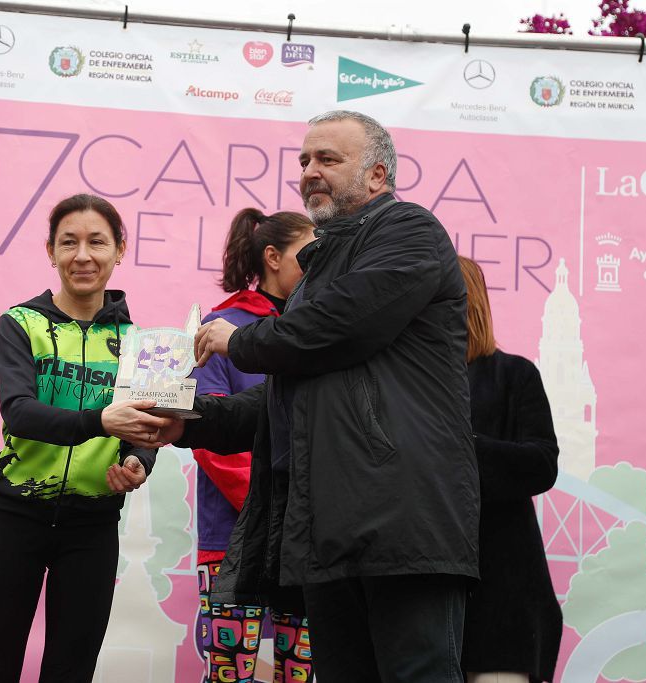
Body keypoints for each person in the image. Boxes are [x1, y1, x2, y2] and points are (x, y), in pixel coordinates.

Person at [136, 110, 480, 682]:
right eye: (304, 161)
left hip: (403, 522)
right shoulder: (317, 273)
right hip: (328, 531)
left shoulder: (410, 231)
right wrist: (187, 424)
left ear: (376, 176)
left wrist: (240, 341)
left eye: (328, 159)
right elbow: (283, 403)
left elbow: (339, 325)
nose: (310, 171)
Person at [0, 194, 170, 683]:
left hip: (92, 527)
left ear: (120, 249)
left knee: (71, 671)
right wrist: (102, 421)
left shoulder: (139, 342)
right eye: (69, 243)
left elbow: (144, 429)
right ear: (50, 251)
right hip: (13, 519)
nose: (83, 255)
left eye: (97, 242)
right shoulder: (20, 324)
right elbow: (20, 414)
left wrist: (139, 462)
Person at [191, 208, 316, 683]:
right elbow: (209, 437)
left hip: (304, 541)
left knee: (299, 673)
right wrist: (277, 505)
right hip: (232, 537)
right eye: (308, 252)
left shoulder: (319, 331)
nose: (318, 261)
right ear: (273, 257)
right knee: (230, 673)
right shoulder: (222, 326)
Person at [457, 256, 563, 683]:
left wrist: (461, 452)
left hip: (501, 597)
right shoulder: (399, 384)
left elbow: (542, 464)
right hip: (418, 600)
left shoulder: (514, 375)